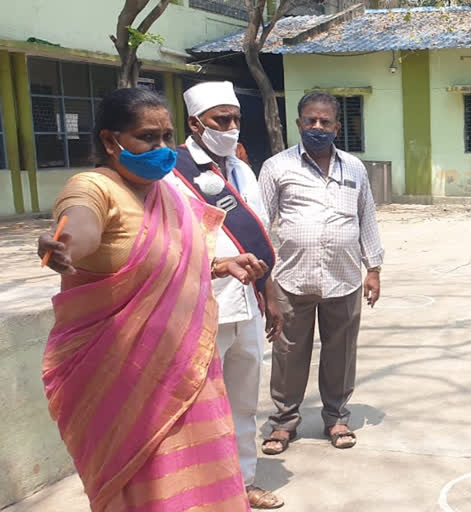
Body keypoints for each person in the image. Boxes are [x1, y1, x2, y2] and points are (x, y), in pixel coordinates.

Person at [37, 88, 268, 512]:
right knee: (145, 490)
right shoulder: (93, 186)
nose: (162, 149)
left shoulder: (168, 193)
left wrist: (220, 265)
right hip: (124, 384)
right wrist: (67, 245)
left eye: (167, 136)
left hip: (187, 374)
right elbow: (80, 224)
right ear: (111, 141)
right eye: (148, 137)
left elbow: (171, 259)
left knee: (202, 484)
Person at [165, 81, 284, 509]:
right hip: (200, 307)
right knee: (198, 404)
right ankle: (201, 488)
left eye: (236, 119)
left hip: (247, 304)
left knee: (243, 401)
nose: (232, 127)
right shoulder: (172, 172)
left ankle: (242, 482)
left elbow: (261, 237)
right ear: (195, 123)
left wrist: (270, 295)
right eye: (222, 120)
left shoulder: (243, 170)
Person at [259, 91, 384, 454]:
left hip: (343, 278)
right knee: (288, 353)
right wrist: (264, 281)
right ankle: (283, 422)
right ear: (299, 123)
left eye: (325, 122)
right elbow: (262, 223)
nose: (317, 127)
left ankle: (336, 417)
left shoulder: (355, 169)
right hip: (290, 279)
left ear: (337, 127)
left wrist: (372, 269)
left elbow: (367, 219)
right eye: (310, 121)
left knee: (341, 352)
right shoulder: (276, 167)